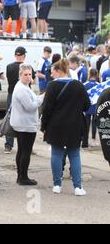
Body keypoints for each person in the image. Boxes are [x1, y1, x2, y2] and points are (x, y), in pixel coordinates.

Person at [41, 59, 90, 196]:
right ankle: (78, 187)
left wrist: (43, 126)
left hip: (56, 125)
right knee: (74, 155)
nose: (51, 75)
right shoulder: (78, 85)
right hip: (75, 124)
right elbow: (86, 105)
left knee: (56, 154)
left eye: (52, 72)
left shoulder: (52, 86)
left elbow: (47, 109)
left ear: (58, 71)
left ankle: (57, 184)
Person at [10, 64, 44, 186]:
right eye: (25, 74)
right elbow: (30, 106)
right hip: (25, 124)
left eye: (30, 74)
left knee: (22, 150)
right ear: (20, 75)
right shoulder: (22, 88)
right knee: (25, 151)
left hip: (23, 123)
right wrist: (42, 99)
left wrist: (39, 97)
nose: (28, 77)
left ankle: (21, 176)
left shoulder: (24, 86)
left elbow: (32, 100)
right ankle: (23, 177)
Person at [5, 47, 36, 154]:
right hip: (25, 93)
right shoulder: (28, 68)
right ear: (24, 56)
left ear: (15, 55)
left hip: (11, 94)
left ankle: (8, 145)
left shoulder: (9, 67)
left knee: (10, 118)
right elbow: (32, 82)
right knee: (26, 119)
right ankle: (27, 146)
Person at [83, 69, 100, 148]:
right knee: (94, 123)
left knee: (86, 124)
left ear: (89, 74)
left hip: (87, 107)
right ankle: (93, 140)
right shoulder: (98, 84)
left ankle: (85, 141)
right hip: (95, 107)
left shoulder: (85, 84)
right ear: (96, 75)